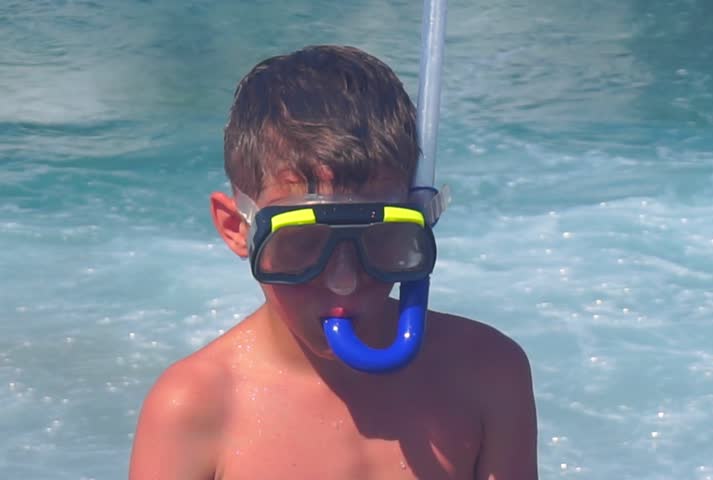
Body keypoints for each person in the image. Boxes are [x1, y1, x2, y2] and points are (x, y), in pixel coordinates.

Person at [129, 45, 538, 479]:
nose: (344, 281)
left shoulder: (486, 374)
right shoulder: (195, 407)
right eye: (303, 242)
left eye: (380, 238)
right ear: (237, 227)